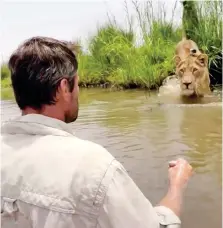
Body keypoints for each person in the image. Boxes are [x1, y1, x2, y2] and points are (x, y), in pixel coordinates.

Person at [1, 36, 193, 228]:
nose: (78, 93)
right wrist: (176, 186)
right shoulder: (93, 167)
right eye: (77, 84)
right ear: (63, 88)